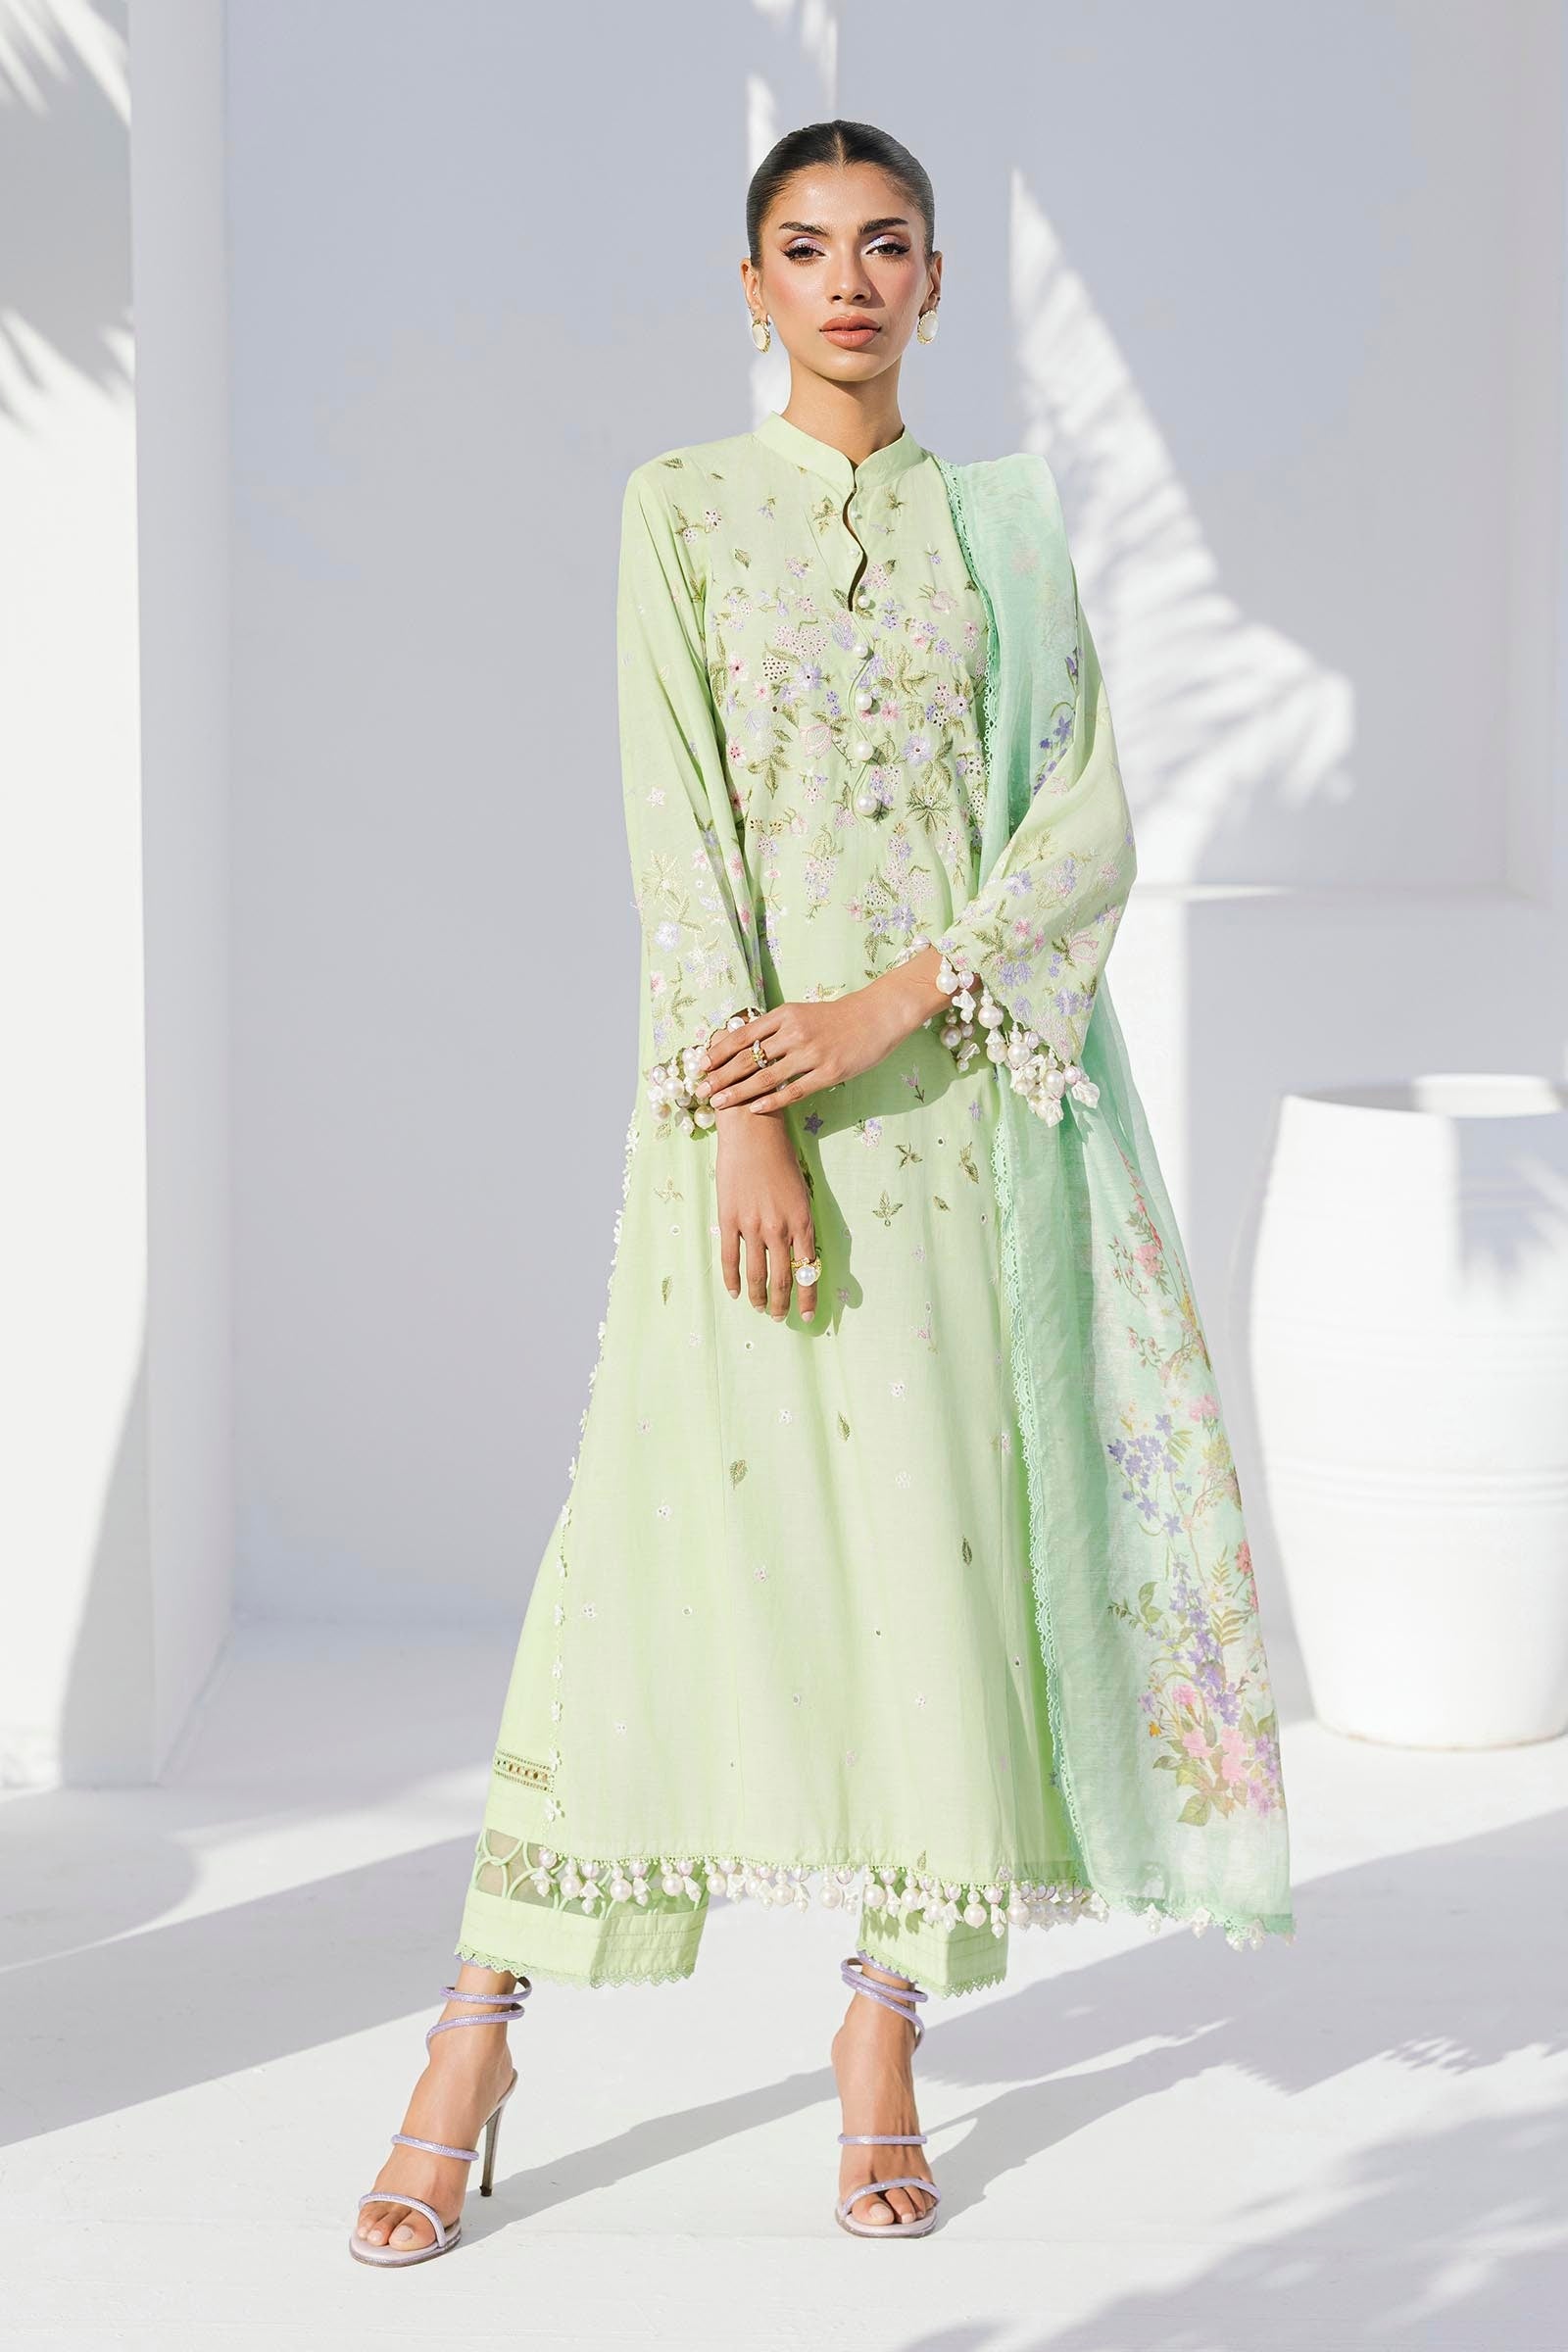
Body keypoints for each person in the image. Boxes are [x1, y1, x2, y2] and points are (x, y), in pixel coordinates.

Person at [351, 117, 1292, 2268]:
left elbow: (1082, 826)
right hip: (745, 1126)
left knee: (935, 1580)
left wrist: (889, 1010)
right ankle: (473, 2038)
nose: (849, 281)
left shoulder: (1002, 536)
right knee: (638, 1568)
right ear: (751, 281)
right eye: (806, 246)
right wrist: (750, 1115)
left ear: (936, 284)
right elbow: (673, 831)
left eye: (886, 245)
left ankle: (882, 2042)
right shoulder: (677, 510)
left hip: (955, 1123)